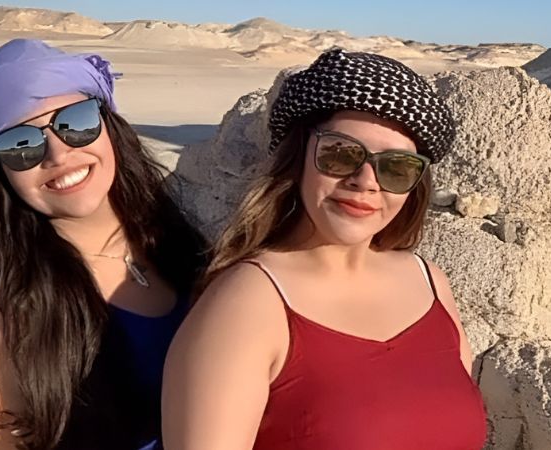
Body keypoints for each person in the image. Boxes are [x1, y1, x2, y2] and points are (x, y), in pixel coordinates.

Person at [162, 48, 487, 449]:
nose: (366, 181)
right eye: (341, 154)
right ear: (298, 157)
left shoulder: (430, 283)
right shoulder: (246, 304)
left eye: (397, 167)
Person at [0, 39, 206, 450]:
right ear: (0, 172)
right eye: (21, 145)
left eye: (76, 121)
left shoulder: (183, 250)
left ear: (110, 126)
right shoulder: (1, 326)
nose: (58, 153)